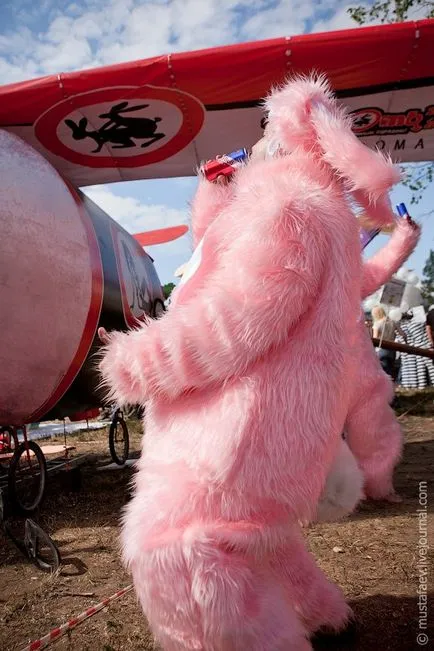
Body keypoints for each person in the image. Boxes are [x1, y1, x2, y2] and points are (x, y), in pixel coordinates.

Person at [99, 75, 400, 650]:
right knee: (255, 536)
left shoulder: (286, 207)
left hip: (231, 429)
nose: (252, 145)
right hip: (276, 430)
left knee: (175, 548)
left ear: (285, 138)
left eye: (263, 131)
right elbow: (221, 263)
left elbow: (235, 319)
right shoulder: (324, 215)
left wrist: (137, 361)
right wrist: (216, 197)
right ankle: (324, 617)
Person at [371, 305, 406, 378]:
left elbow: (375, 339)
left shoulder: (377, 324)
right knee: (390, 371)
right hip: (392, 349)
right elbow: (403, 334)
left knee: (382, 372)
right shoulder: (393, 322)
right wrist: (406, 341)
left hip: (381, 349)